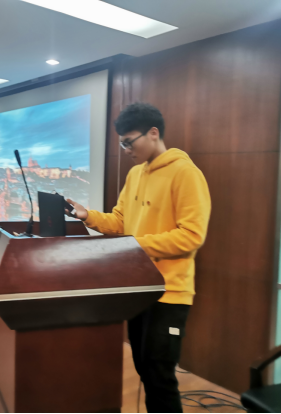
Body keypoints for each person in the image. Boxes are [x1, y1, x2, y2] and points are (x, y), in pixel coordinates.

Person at [67, 103, 211, 413]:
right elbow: (121, 220)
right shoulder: (135, 174)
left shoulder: (185, 173)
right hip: (138, 288)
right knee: (145, 370)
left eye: (129, 142)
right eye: (122, 144)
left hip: (169, 293)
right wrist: (88, 216)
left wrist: (132, 246)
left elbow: (191, 236)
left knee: (160, 377)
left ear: (153, 133)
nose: (126, 150)